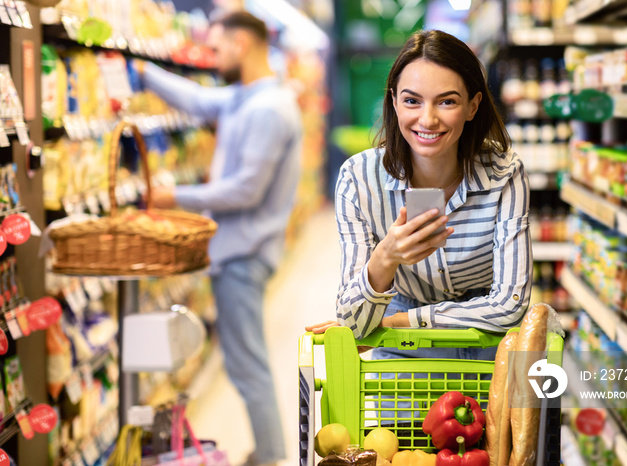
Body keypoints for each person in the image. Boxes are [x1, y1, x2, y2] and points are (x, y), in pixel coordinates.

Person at [136, 11, 302, 466]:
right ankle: (268, 451)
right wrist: (141, 71)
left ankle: (269, 456)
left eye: (218, 47)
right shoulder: (245, 97)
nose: (213, 56)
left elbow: (246, 189)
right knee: (244, 360)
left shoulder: (269, 109)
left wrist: (174, 196)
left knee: (248, 364)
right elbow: (198, 100)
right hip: (235, 250)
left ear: (241, 45)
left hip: (245, 254)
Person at [307, 29, 532, 363]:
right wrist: (386, 257)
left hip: (485, 339)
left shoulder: (505, 174)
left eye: (447, 101)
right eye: (412, 100)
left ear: (473, 106)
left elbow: (509, 305)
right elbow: (354, 325)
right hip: (402, 345)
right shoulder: (358, 180)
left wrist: (402, 321)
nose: (428, 119)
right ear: (394, 101)